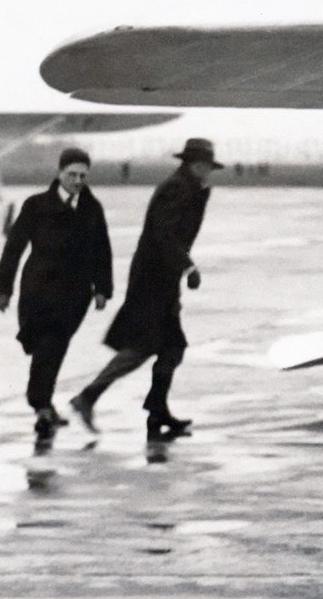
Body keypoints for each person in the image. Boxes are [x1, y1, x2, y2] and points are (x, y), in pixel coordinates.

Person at [69, 138, 221, 442]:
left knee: (171, 347)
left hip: (163, 277)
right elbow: (162, 233)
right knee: (142, 347)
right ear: (193, 164)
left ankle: (156, 410)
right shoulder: (177, 188)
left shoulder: (190, 187)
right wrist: (188, 266)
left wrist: (180, 268)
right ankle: (87, 398)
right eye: (205, 166)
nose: (208, 172)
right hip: (152, 279)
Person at [0, 148, 113, 438]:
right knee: (47, 345)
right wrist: (3, 288)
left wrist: (103, 289)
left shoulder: (91, 208)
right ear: (59, 173)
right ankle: (41, 403)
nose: (77, 180)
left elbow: (102, 250)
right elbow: (14, 247)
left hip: (76, 294)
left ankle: (42, 405)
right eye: (71, 174)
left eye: (83, 175)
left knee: (54, 347)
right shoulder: (36, 205)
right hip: (39, 288)